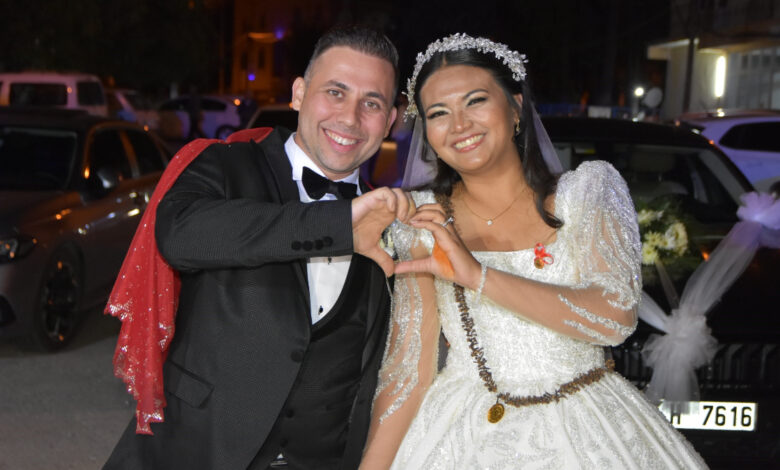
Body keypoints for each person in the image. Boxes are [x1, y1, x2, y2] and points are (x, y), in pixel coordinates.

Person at [360, 34, 708, 469]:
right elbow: (407, 373)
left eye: (475, 101)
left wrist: (477, 276)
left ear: (516, 107)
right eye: (438, 113)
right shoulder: (422, 220)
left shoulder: (587, 193)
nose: (459, 125)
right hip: (459, 433)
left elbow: (615, 317)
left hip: (587, 428)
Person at [104, 26, 411, 470]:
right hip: (197, 452)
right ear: (299, 94)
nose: (350, 117)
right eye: (335, 92)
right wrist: (337, 224)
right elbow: (180, 236)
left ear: (391, 120)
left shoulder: (393, 220)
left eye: (372, 103)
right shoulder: (224, 163)